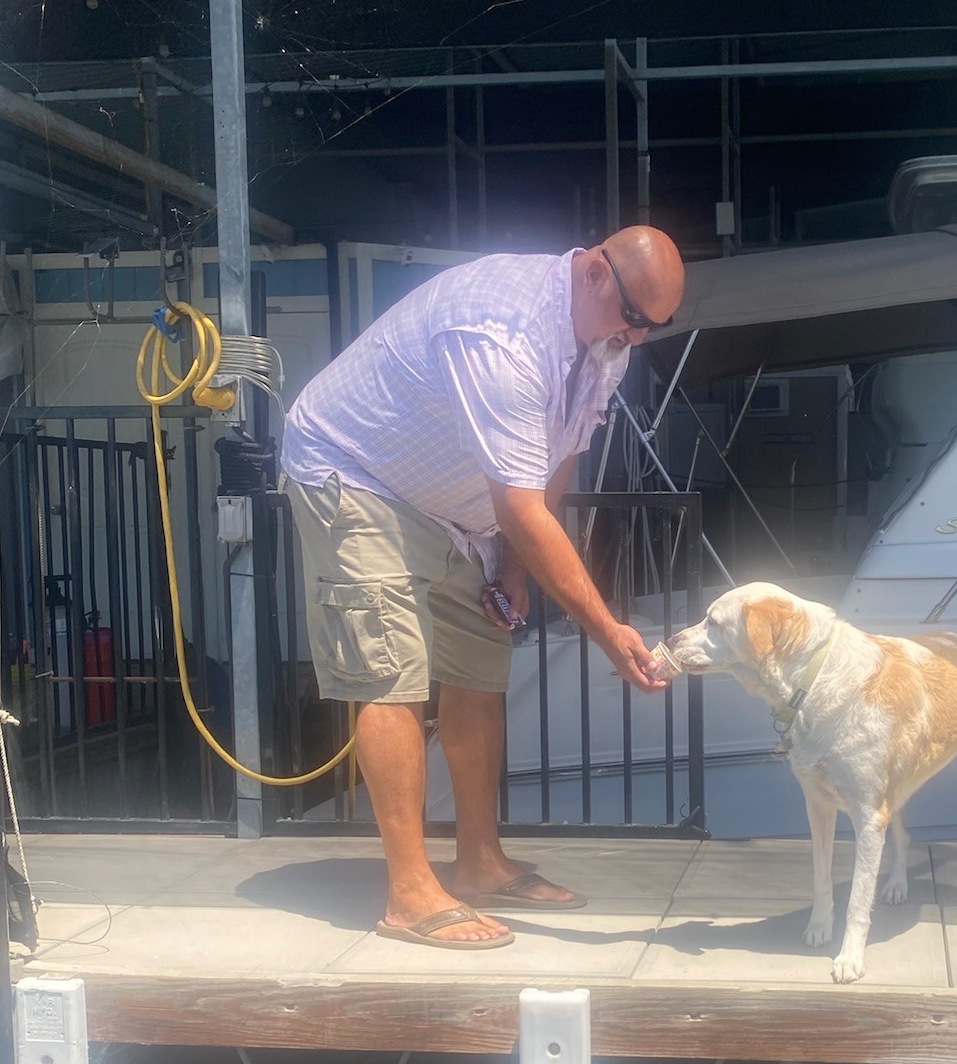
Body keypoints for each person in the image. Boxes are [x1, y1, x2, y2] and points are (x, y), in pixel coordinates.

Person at [280, 227, 686, 948]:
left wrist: (513, 570)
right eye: (631, 317)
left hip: (451, 510)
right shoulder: (498, 331)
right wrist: (606, 629)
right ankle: (409, 893)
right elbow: (522, 508)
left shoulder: (608, 347)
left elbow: (558, 458)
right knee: (391, 676)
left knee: (478, 666)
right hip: (355, 474)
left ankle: (479, 864)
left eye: (652, 328)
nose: (635, 337)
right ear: (595, 271)